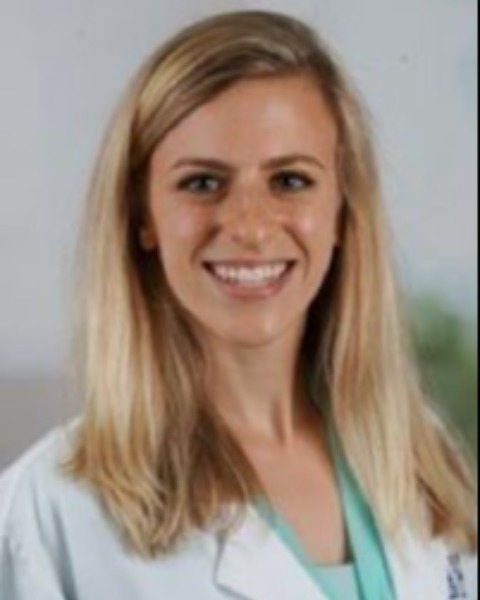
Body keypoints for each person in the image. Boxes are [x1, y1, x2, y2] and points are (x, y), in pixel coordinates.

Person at [0, 10, 477, 600]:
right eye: (202, 183)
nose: (250, 227)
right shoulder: (51, 512)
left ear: (341, 209)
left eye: (290, 181)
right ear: (143, 215)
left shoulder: (425, 464)